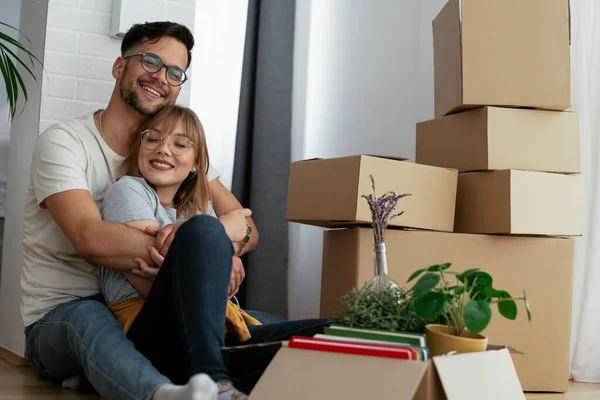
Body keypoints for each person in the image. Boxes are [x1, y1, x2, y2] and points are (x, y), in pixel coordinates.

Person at [21, 21, 331, 400]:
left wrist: (218, 249)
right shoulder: (65, 143)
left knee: (298, 331)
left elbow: (248, 229)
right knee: (91, 318)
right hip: (64, 315)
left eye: (174, 71)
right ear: (120, 67)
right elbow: (89, 236)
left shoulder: (173, 152)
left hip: (157, 312)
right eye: (150, 61)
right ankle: (172, 393)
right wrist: (203, 248)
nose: (160, 77)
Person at [98, 105, 259, 399]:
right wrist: (214, 246)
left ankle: (226, 383)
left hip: (212, 332)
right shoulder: (128, 191)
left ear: (198, 164)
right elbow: (149, 280)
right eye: (153, 139)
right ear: (139, 148)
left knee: (326, 334)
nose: (163, 150)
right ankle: (216, 382)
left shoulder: (193, 208)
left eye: (180, 144)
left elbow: (244, 235)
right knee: (205, 229)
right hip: (153, 333)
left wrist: (218, 256)